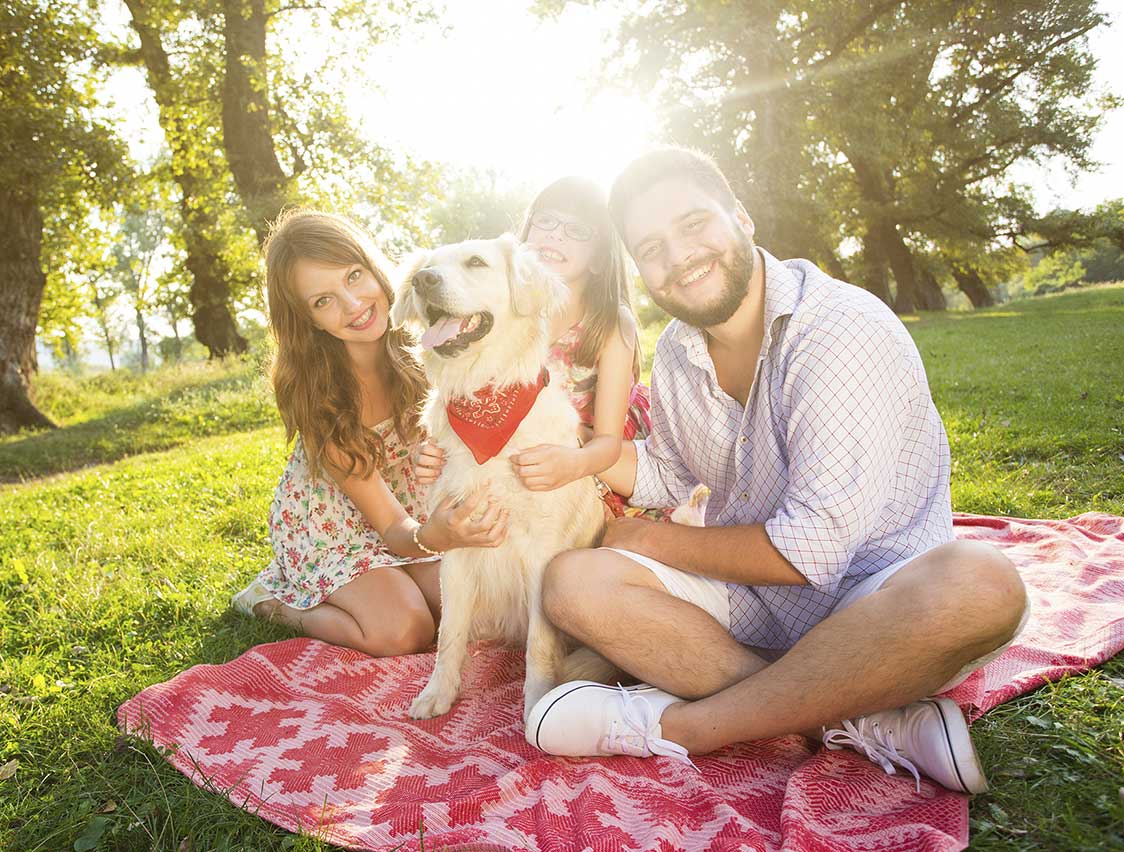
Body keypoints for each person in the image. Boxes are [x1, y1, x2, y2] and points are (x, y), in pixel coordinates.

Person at [525, 149, 1029, 795]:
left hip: (872, 593)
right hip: (753, 601)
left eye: (694, 224)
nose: (678, 257)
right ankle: (854, 716)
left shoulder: (839, 329)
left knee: (981, 583)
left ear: (741, 217)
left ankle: (685, 726)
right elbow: (674, 472)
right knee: (573, 582)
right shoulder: (679, 348)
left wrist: (652, 540)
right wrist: (562, 452)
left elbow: (810, 549)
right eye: (651, 247)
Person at [231, 210, 508, 657]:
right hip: (331, 526)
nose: (353, 304)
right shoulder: (319, 396)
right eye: (323, 301)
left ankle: (396, 581)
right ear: (309, 321)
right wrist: (436, 536)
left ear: (374, 267)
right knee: (403, 630)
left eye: (354, 276)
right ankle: (274, 601)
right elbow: (393, 526)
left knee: (479, 612)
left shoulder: (429, 341)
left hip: (408, 509)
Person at [509, 176, 651, 516]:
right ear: (527, 231)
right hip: (526, 438)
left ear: (599, 259)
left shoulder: (611, 323)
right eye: (546, 220)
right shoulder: (504, 311)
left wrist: (575, 463)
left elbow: (606, 444)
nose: (556, 234)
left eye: (578, 230)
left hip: (592, 446)